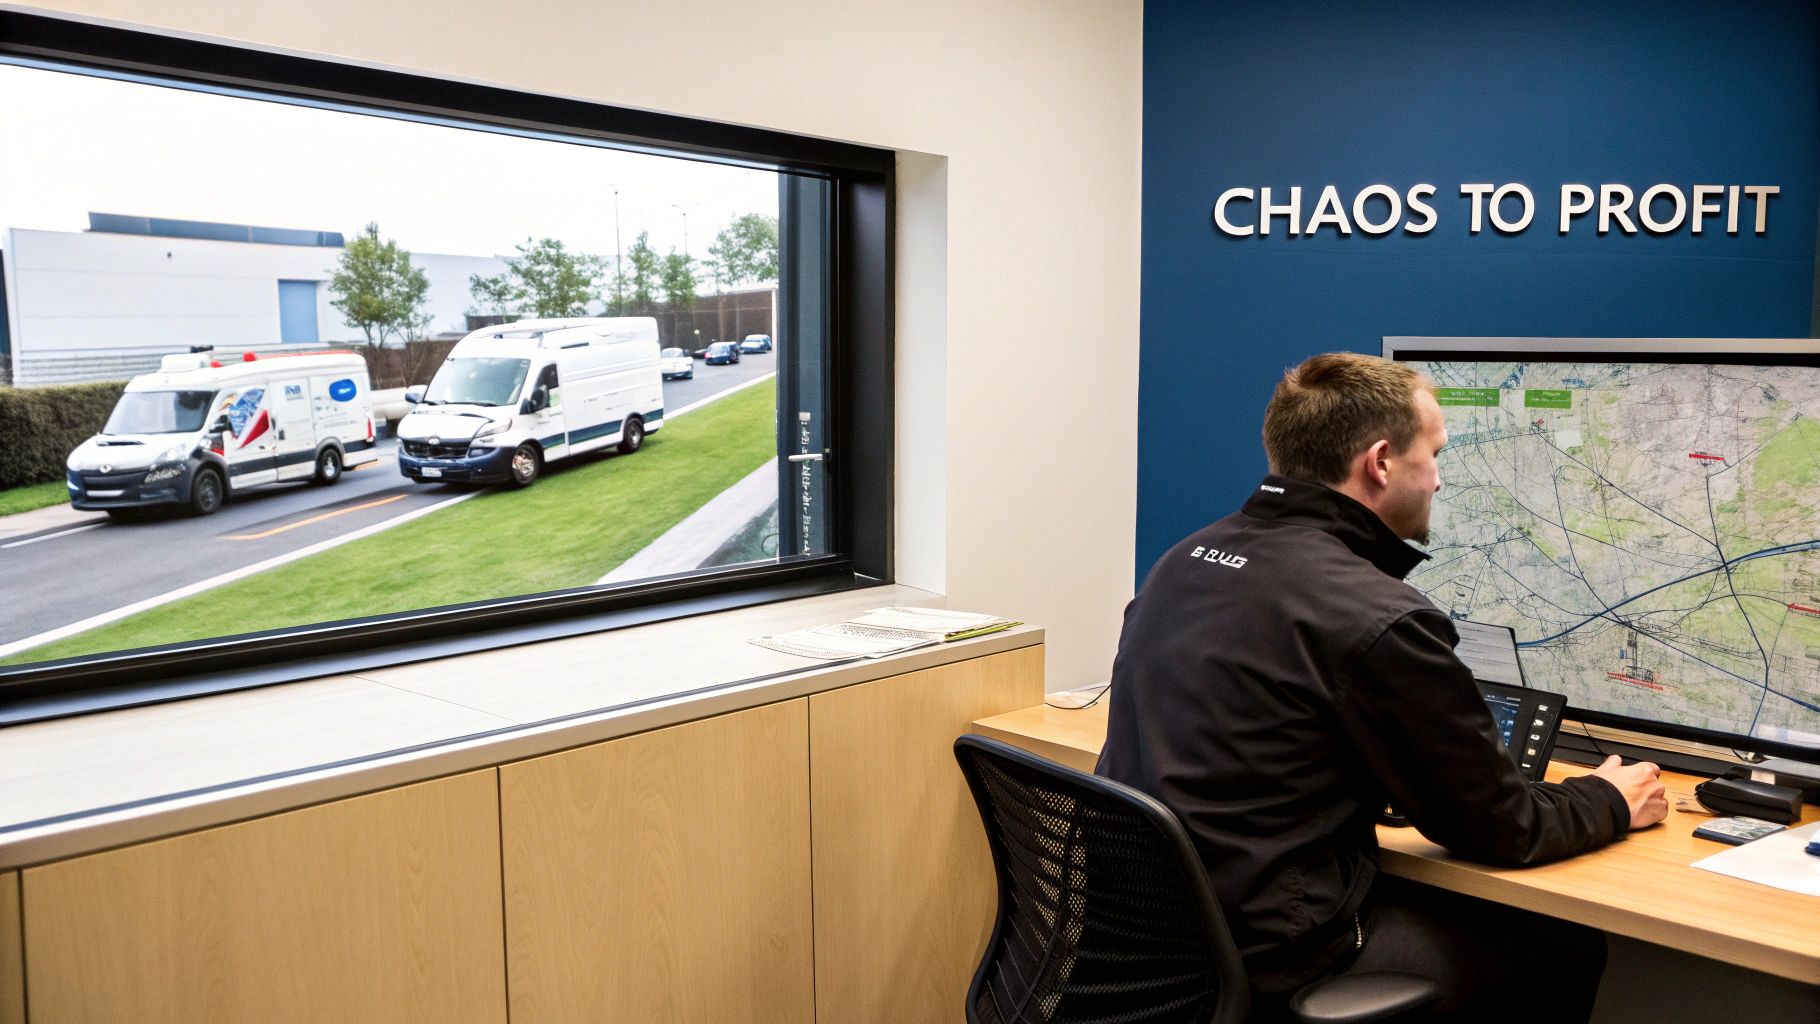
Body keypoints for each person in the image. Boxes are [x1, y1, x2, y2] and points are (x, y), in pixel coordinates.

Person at [1095, 352, 1667, 1022]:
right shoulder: (1375, 617)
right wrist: (1609, 799)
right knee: (1560, 945)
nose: (1440, 480)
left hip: (1137, 939)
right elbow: (1502, 828)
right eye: (1435, 454)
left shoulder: (1185, 559)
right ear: (1381, 462)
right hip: (1270, 955)